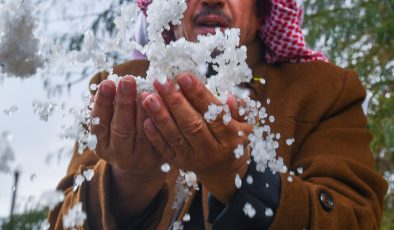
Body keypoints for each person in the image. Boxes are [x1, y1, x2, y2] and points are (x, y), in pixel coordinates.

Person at [49, 0, 388, 229]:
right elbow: (63, 221)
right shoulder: (120, 85)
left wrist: (242, 176)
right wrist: (128, 181)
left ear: (262, 14)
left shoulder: (326, 90)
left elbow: (356, 218)